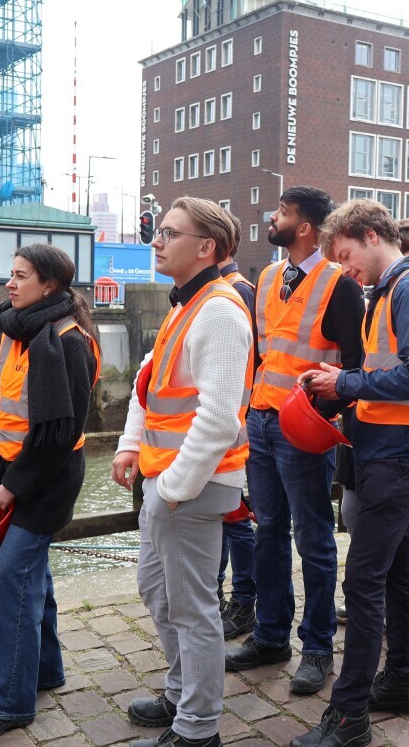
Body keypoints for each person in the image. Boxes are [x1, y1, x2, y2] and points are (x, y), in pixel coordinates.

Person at [293, 199, 409, 747]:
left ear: (368, 236)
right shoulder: (387, 292)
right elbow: (388, 369)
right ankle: (403, 679)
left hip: (401, 453)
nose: (344, 269)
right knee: (396, 570)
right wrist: (342, 378)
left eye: (344, 256)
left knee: (362, 579)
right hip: (391, 449)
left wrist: (346, 383)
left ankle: (349, 715)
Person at [114, 197, 253, 747]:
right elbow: (148, 385)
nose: (157, 241)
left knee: (192, 608)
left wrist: (171, 489)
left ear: (206, 248)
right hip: (168, 481)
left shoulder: (217, 312)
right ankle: (180, 694)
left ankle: (197, 728)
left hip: (190, 487)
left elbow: (219, 418)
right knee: (158, 591)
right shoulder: (185, 305)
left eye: (170, 234)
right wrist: (130, 445)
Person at [0, 243, 101, 742]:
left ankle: (5, 705)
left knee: (10, 586)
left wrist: (14, 486)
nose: (9, 284)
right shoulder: (11, 331)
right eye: (10, 274)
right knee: (30, 574)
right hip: (6, 471)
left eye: (21, 276)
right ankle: (44, 670)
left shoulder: (69, 342)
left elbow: (60, 432)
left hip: (46, 482)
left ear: (49, 285)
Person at [225, 186, 364, 696]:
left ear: (304, 227)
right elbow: (262, 352)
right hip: (262, 422)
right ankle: (270, 636)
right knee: (268, 532)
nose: (273, 217)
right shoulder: (266, 278)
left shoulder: (340, 285)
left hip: (303, 428)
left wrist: (320, 414)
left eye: (282, 213)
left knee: (313, 537)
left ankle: (318, 647)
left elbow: (355, 367)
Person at [216, 213, 258, 640]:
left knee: (234, 515)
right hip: (231, 421)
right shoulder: (223, 289)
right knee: (225, 514)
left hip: (234, 425)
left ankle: (243, 601)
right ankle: (222, 596)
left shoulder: (235, 291)